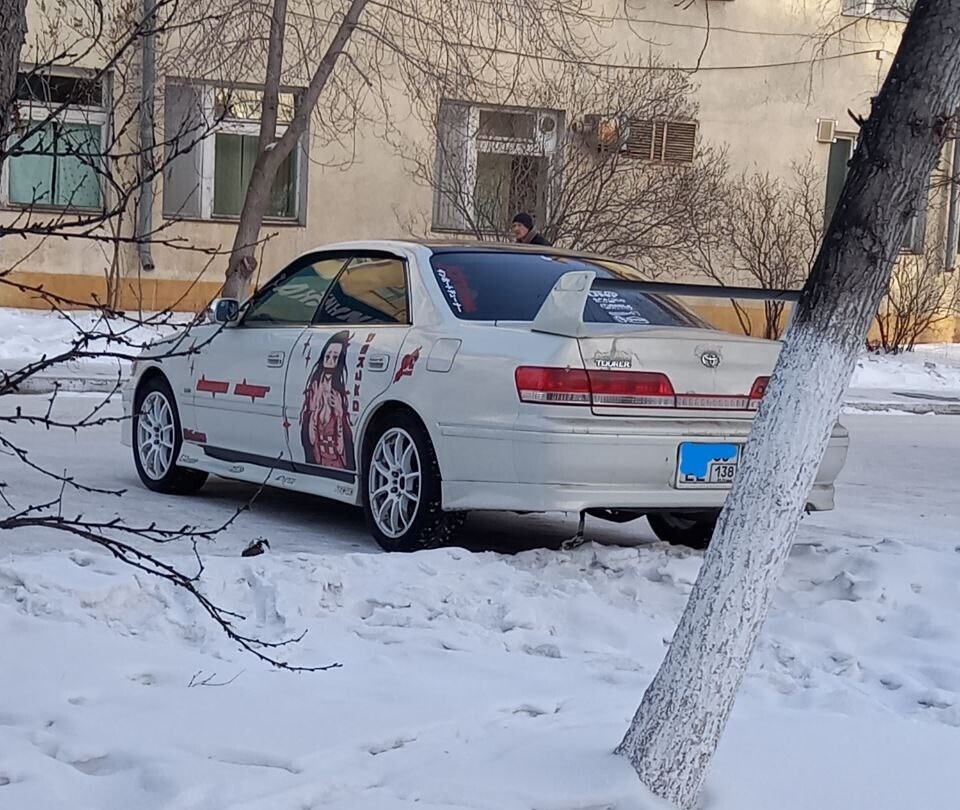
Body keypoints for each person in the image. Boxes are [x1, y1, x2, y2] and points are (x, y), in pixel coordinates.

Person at [300, 330, 356, 470]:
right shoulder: (314, 389)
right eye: (328, 356)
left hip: (337, 461)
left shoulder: (339, 396)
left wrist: (339, 414)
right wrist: (313, 412)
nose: (330, 361)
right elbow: (311, 439)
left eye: (335, 357)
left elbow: (342, 446)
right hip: (319, 456)